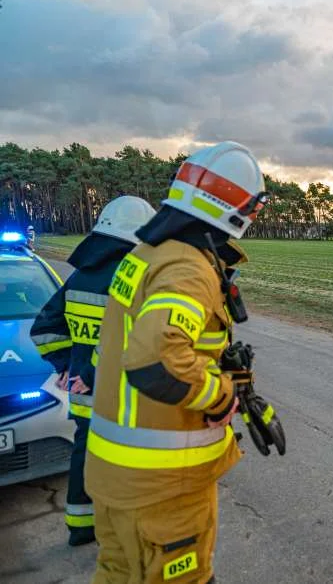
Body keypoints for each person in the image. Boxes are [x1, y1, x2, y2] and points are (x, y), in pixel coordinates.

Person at [85, 141, 268, 584]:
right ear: (240, 209)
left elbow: (116, 349)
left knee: (119, 574)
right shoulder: (188, 267)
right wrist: (220, 394)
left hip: (117, 478)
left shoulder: (146, 255)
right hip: (162, 487)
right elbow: (155, 360)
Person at [30, 196, 157, 546]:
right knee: (129, 466)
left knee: (84, 455)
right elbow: (123, 341)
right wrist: (86, 371)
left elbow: (44, 328)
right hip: (119, 396)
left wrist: (65, 365)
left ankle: (80, 527)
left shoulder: (79, 277)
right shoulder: (131, 279)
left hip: (83, 398)